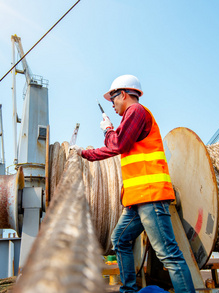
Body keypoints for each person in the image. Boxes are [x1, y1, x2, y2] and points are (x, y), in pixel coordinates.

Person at [70, 75, 195, 293]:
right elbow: (120, 144)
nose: (113, 104)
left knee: (168, 254)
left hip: (150, 196)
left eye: (113, 99)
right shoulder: (131, 117)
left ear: (124, 94)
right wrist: (106, 134)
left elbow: (118, 144)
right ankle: (128, 290)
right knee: (120, 239)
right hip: (137, 199)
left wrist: (103, 135)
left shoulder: (136, 112)